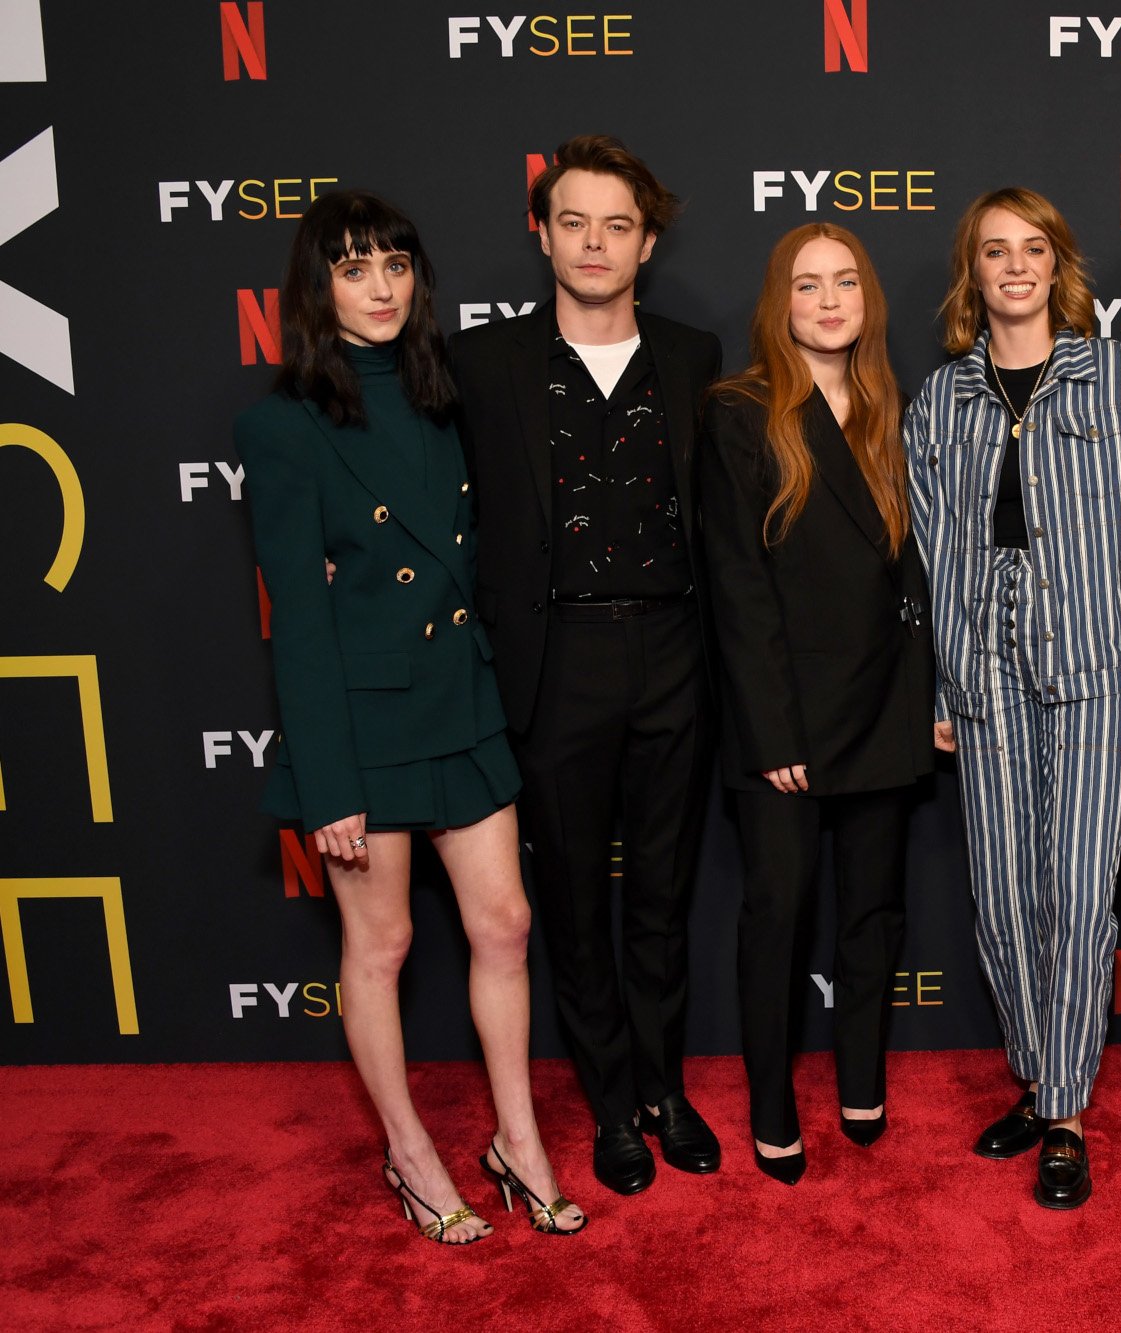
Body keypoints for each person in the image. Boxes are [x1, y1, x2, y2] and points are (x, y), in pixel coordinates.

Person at [236, 190, 584, 1241]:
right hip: (367, 717)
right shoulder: (282, 422)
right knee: (379, 946)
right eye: (352, 269)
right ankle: (409, 1149)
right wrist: (326, 784)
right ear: (317, 288)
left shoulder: (448, 395)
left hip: (461, 699)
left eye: (393, 265)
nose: (379, 288)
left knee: (506, 925)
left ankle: (516, 1138)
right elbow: (296, 618)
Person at [905, 187, 1121, 1209]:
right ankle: (1039, 1084)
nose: (1014, 266)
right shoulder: (939, 400)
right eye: (993, 250)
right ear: (974, 272)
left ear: (1057, 263)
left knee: (1078, 899)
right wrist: (943, 684)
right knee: (1002, 897)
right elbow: (934, 560)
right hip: (984, 678)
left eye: (1032, 247)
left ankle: (1069, 1116)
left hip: (1093, 678)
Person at [450, 135, 723, 1195]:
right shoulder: (484, 365)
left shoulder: (694, 356)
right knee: (570, 900)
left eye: (617, 225)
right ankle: (610, 1103)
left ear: (646, 242)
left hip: (673, 651)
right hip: (554, 656)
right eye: (574, 221)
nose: (594, 242)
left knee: (661, 894)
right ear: (541, 231)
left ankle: (662, 1088)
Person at [700, 223, 934, 1186]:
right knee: (780, 910)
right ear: (779, 302)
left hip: (884, 701)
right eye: (808, 285)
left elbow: (915, 576)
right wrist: (772, 729)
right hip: (788, 714)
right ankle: (769, 1101)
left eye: (846, 282)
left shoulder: (892, 405)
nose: (830, 300)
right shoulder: (740, 410)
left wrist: (931, 697)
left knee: (873, 910)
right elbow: (736, 585)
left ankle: (864, 1080)